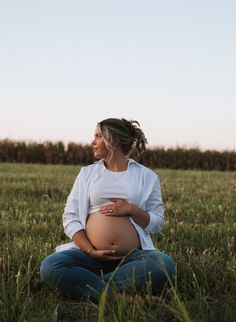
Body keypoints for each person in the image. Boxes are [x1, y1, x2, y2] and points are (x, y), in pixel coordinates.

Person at [40, 118, 175, 303]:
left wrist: (131, 210)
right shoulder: (87, 174)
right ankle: (123, 297)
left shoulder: (147, 176)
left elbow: (157, 223)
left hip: (131, 258)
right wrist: (89, 250)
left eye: (98, 136)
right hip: (89, 257)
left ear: (114, 140)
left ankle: (86, 289)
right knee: (50, 266)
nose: (92, 141)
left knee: (164, 264)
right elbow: (70, 216)